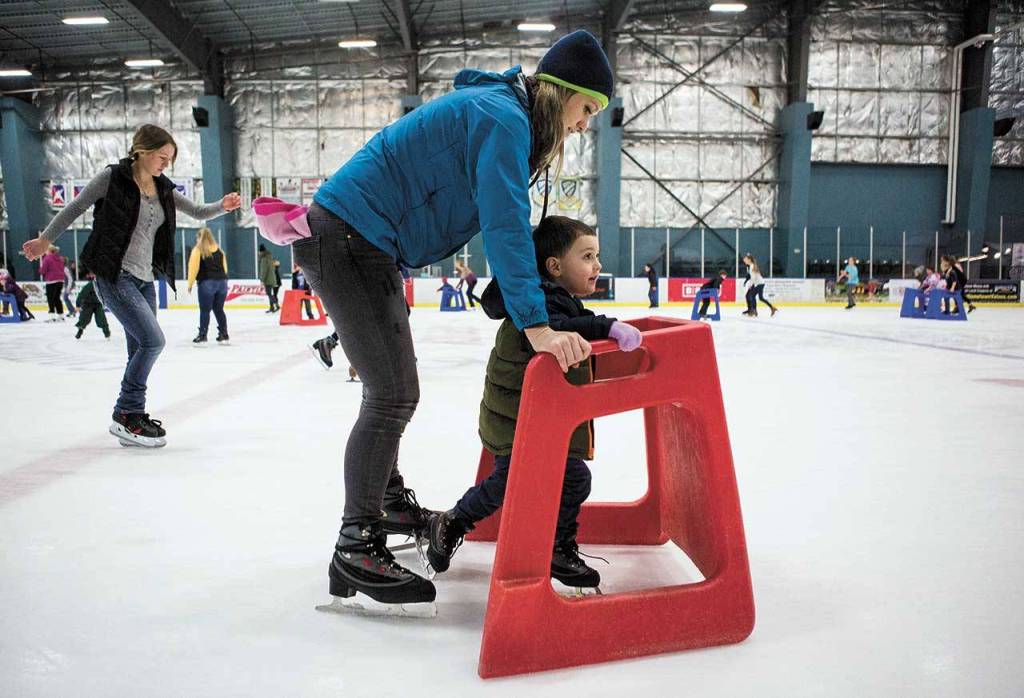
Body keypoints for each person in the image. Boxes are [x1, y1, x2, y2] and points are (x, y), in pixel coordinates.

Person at [294, 29, 613, 610]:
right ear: (561, 91)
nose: (584, 124)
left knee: (393, 390)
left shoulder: (500, 113)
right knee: (391, 395)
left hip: (364, 239)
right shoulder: (504, 118)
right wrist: (537, 323)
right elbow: (505, 224)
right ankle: (355, 543)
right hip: (348, 234)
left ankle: (385, 504)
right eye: (586, 108)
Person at [426, 216, 642, 590]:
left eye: (597, 256)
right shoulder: (541, 302)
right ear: (554, 266)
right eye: (587, 256)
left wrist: (606, 324)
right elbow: (562, 324)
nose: (598, 265)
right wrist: (607, 328)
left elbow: (577, 318)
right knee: (532, 480)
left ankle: (547, 542)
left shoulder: (550, 297)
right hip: (516, 421)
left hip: (530, 418)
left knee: (552, 478)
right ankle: (457, 523)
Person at [21, 123, 241, 448]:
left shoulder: (164, 188)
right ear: (143, 151)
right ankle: (126, 413)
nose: (166, 164)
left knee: (138, 348)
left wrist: (221, 206)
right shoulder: (112, 178)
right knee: (153, 342)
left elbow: (195, 211)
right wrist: (44, 241)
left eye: (169, 159)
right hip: (114, 274)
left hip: (145, 279)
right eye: (163, 157)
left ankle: (132, 418)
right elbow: (74, 207)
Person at [187, 227, 230, 345]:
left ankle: (203, 335)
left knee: (205, 310)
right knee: (219, 309)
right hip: (222, 282)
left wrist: (190, 284)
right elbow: (225, 268)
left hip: (207, 282)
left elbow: (193, 268)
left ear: (199, 237)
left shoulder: (198, 250)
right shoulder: (219, 251)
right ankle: (224, 334)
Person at [74, 269, 110, 339]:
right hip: (87, 305)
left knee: (101, 319)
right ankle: (80, 331)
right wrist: (78, 305)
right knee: (84, 319)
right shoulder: (90, 285)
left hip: (98, 304)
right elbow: (81, 295)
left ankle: (107, 333)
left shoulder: (103, 285)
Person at [39, 245, 66, 321]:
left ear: (49, 250)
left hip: (51, 281)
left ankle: (52, 316)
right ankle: (61, 315)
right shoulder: (60, 259)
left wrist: (40, 270)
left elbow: (43, 270)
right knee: (57, 298)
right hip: (60, 280)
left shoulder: (47, 258)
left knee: (50, 298)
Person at [257, 245, 278, 313]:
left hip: (267, 280)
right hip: (272, 278)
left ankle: (276, 305)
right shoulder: (270, 258)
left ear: (260, 252)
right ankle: (272, 307)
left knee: (268, 293)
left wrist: (262, 280)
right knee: (270, 293)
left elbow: (264, 270)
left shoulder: (264, 259)